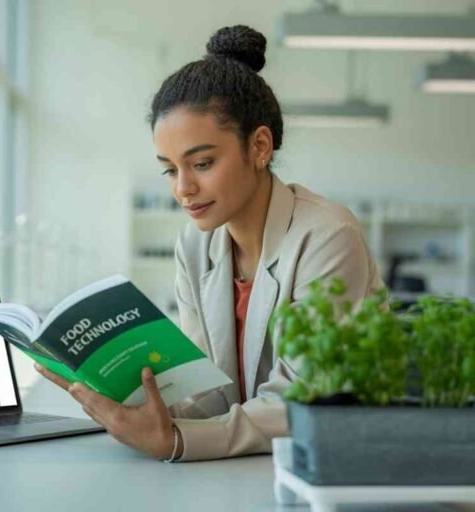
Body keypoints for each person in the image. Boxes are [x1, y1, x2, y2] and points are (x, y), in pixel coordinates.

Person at [35, 25, 383, 461]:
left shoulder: (328, 235)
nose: (183, 188)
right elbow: (209, 391)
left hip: (335, 466)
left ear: (259, 146)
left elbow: (301, 397)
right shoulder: (196, 245)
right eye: (169, 169)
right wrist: (130, 406)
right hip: (248, 470)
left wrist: (178, 440)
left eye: (202, 163)